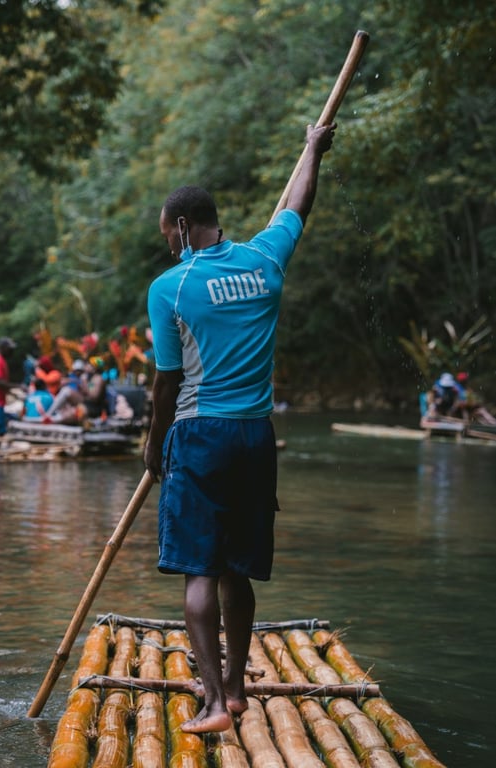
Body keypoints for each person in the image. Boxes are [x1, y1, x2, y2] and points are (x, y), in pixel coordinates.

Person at [144, 123, 336, 734]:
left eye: (167, 236)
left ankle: (212, 705)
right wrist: (313, 149)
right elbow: (297, 204)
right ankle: (234, 690)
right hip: (257, 437)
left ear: (180, 227)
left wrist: (153, 448)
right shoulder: (264, 258)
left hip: (201, 434)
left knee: (199, 570)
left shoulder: (170, 288)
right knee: (238, 570)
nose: (169, 247)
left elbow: (166, 385)